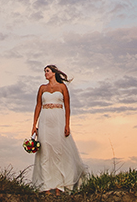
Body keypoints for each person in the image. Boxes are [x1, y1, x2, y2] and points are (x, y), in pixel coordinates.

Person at [30, 64, 87, 193]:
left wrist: (67, 125)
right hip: (45, 120)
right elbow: (38, 106)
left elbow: (67, 106)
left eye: (47, 71)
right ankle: (46, 187)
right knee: (45, 152)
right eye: (44, 71)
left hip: (58, 120)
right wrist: (34, 125)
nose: (45, 73)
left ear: (54, 73)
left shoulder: (62, 87)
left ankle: (59, 186)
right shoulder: (42, 88)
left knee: (59, 152)